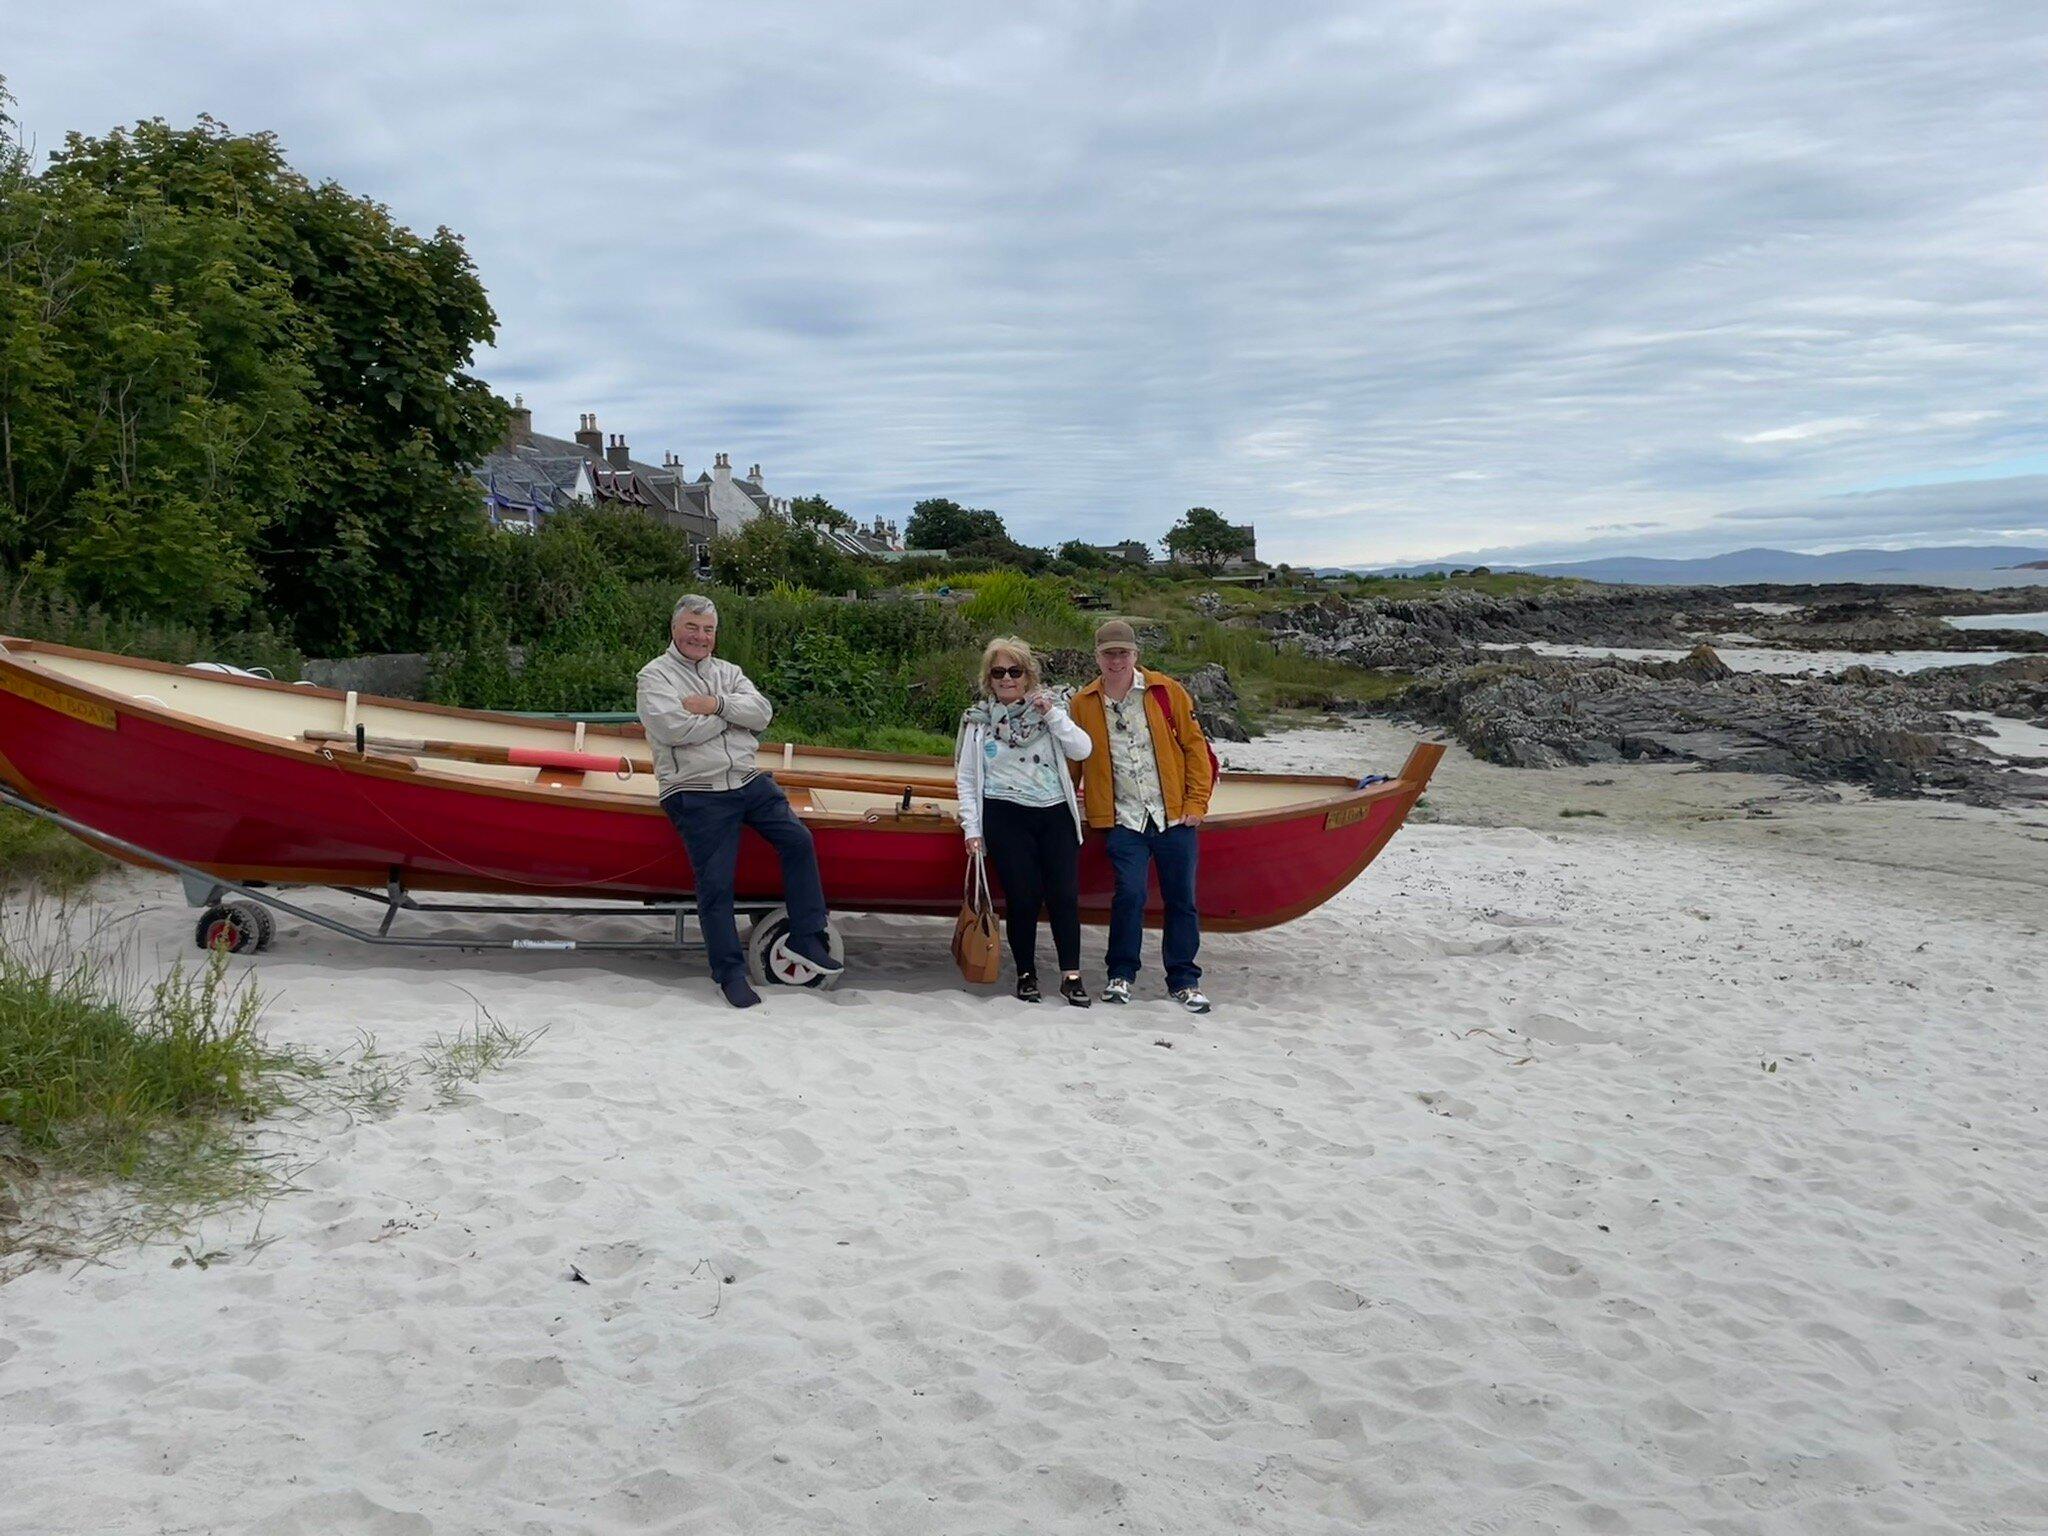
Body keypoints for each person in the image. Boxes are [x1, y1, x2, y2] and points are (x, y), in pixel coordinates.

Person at [637, 595, 841, 1009]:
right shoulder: (654, 677)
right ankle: (728, 972)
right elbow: (674, 729)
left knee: (798, 841)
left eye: (708, 629)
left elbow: (762, 713)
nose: (700, 636)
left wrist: (715, 706)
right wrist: (733, 720)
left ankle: (806, 934)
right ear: (675, 629)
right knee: (717, 884)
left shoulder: (728, 672)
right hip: (695, 789)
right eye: (692, 627)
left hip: (747, 780)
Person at [1067, 619, 1214, 1013]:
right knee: (1129, 894)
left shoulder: (1166, 691)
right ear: (1096, 656)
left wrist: (1196, 804)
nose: (1116, 660)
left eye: (1123, 652)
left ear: (1135, 654)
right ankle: (1121, 975)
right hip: (1122, 819)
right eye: (1108, 653)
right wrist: (1060, 806)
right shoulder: (1082, 703)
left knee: (1181, 899)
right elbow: (1072, 763)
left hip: (1173, 816)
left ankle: (1184, 980)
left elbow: (1195, 749)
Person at [953, 637, 1094, 1006]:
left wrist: (1051, 714)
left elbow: (1083, 749)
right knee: (1023, 897)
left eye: (1014, 671)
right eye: (998, 672)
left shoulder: (1050, 713)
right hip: (1005, 812)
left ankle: (1071, 974)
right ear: (989, 678)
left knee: (1064, 895)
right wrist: (972, 829)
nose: (1006, 679)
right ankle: (1026, 973)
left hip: (1054, 811)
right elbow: (967, 779)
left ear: (1027, 675)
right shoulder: (978, 723)